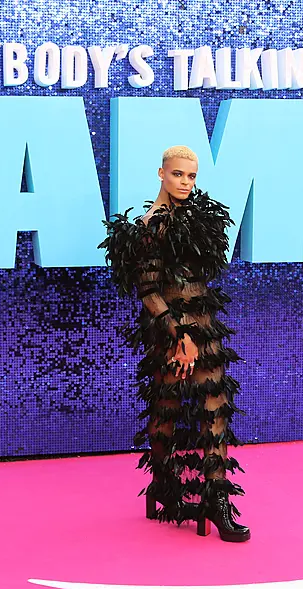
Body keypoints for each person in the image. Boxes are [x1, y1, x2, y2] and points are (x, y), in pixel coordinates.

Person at [100, 145, 250, 542]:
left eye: (191, 176)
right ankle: (164, 487)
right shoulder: (153, 227)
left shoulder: (197, 221)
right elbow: (149, 291)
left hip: (205, 326)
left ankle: (217, 499)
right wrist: (179, 337)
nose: (185, 182)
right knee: (166, 405)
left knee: (215, 409)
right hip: (171, 331)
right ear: (161, 174)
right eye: (178, 174)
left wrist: (196, 332)